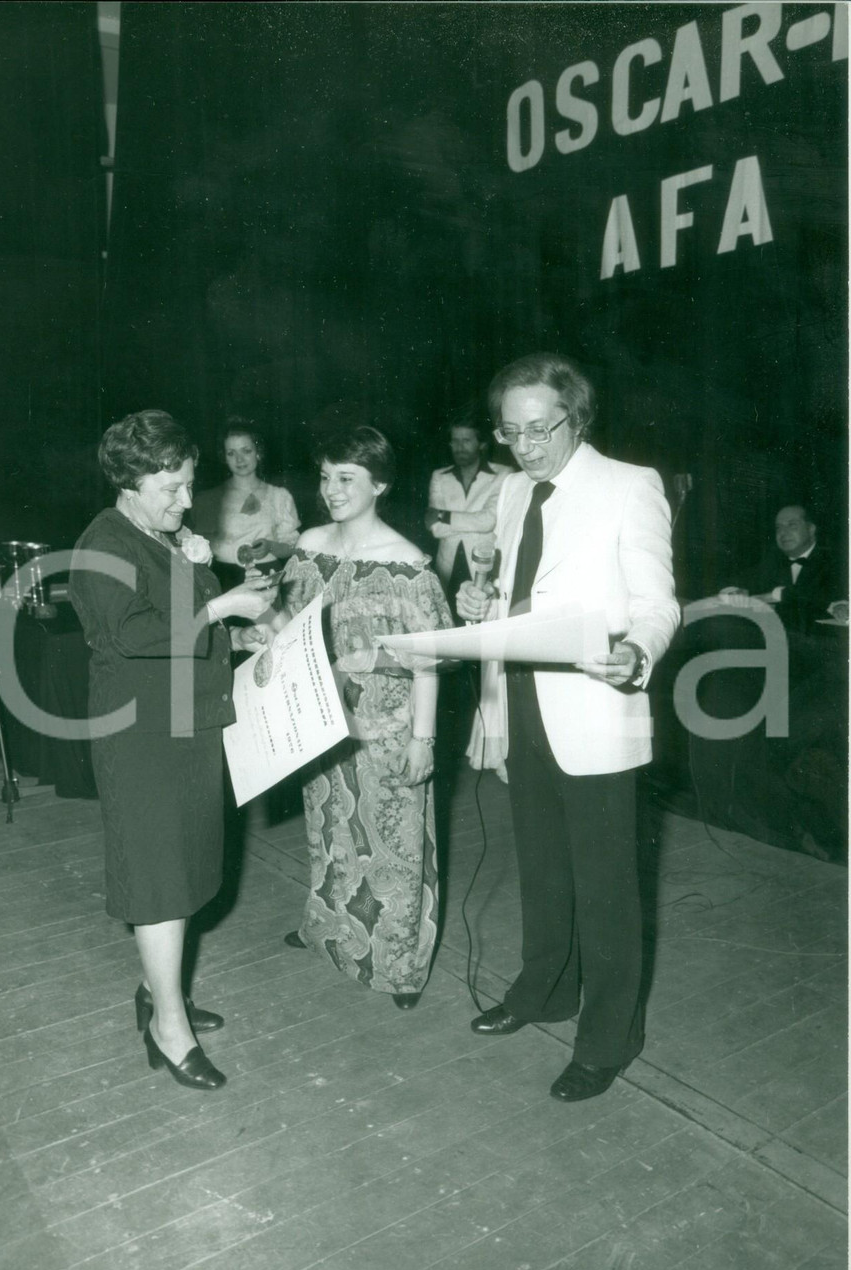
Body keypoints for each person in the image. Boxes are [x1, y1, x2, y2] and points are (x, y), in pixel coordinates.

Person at [459, 354, 680, 1102]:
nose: (525, 446)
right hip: (523, 702)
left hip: (594, 701)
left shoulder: (629, 486)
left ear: (576, 417)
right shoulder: (516, 491)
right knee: (543, 868)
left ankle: (609, 1038)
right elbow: (514, 599)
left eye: (540, 429)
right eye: (510, 431)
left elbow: (659, 603)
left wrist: (636, 652)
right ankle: (545, 989)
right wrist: (479, 610)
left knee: (607, 886)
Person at [69, 410, 276, 1090]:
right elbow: (132, 634)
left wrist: (234, 640)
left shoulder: (162, 537)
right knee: (159, 881)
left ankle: (157, 991)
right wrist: (219, 612)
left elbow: (181, 629)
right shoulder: (103, 543)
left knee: (182, 868)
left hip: (185, 728)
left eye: (189, 486)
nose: (187, 502)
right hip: (141, 739)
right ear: (132, 479)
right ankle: (168, 1029)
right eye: (175, 487)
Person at [273, 425, 452, 1008]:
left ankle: (399, 966)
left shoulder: (410, 565)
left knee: (395, 850)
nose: (330, 489)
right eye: (325, 477)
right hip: (322, 723)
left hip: (385, 728)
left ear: (379, 483)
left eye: (345, 478)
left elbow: (430, 663)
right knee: (329, 835)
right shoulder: (310, 543)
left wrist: (424, 739)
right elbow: (286, 623)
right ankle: (327, 932)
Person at [191, 417, 300, 591]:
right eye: (231, 453)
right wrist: (234, 552)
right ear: (224, 457)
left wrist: (270, 546)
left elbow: (292, 547)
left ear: (258, 452)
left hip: (268, 577)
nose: (239, 459)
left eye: (246, 450)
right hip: (226, 579)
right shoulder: (210, 499)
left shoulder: (279, 496)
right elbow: (200, 547)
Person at [425, 408, 509, 617]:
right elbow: (434, 528)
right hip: (448, 567)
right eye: (455, 441)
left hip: (483, 567)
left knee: (483, 624)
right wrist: (473, 521)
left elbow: (488, 521)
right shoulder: (439, 476)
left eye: (466, 441)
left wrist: (443, 516)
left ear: (481, 444)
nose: (459, 447)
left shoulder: (504, 474)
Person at [718, 503, 845, 633]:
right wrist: (733, 592)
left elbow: (808, 594)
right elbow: (730, 583)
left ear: (811, 529)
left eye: (792, 525)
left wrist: (768, 597)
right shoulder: (772, 561)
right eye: (779, 528)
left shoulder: (838, 561)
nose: (783, 533)